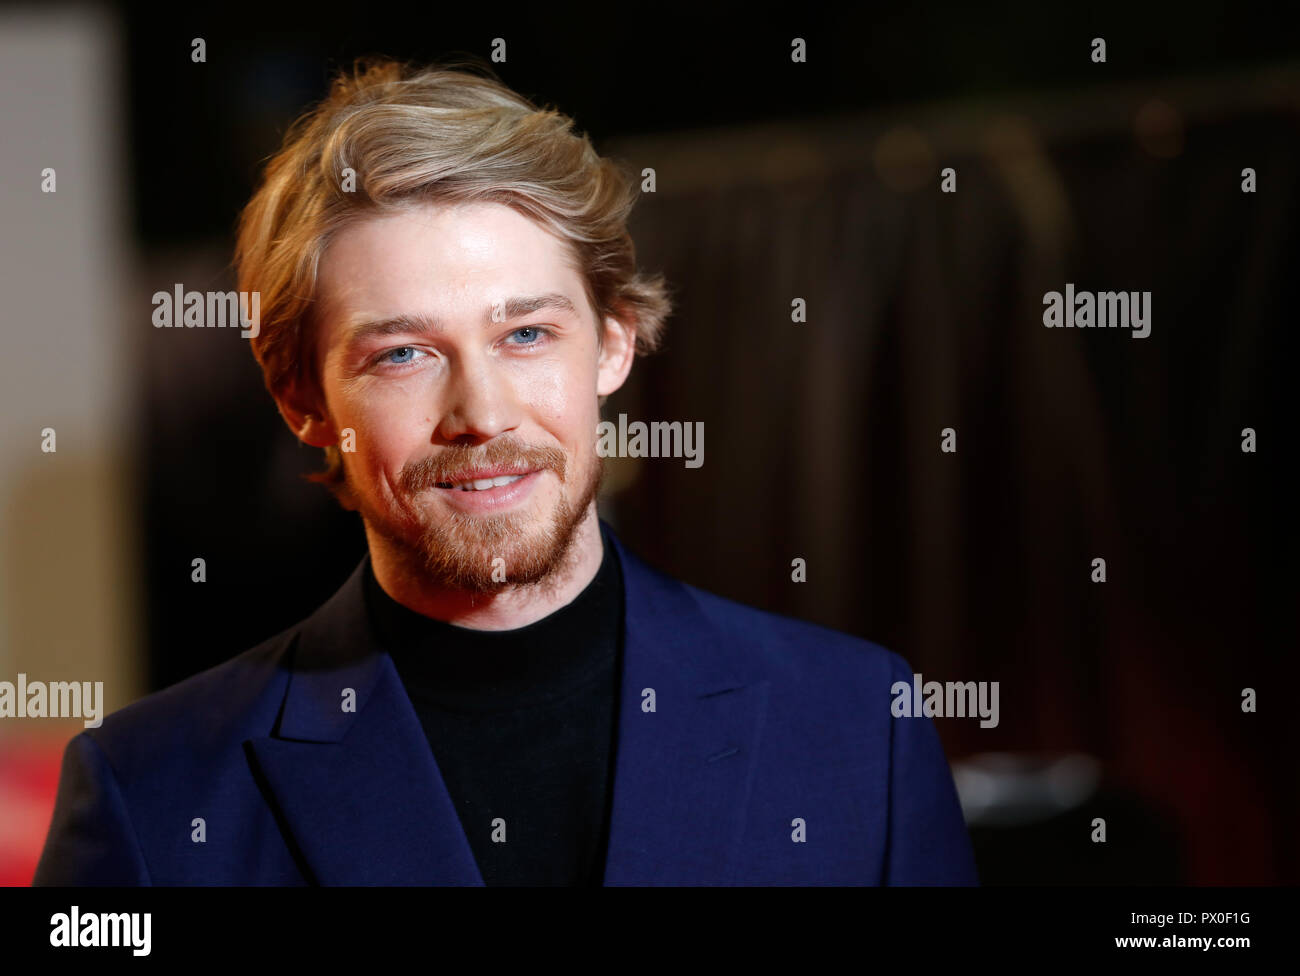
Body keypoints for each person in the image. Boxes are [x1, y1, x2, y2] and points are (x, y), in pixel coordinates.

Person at [33, 58, 977, 886]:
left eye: (526, 334)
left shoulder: (858, 729)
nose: (481, 414)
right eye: (403, 354)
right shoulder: (152, 792)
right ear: (301, 401)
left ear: (614, 345)